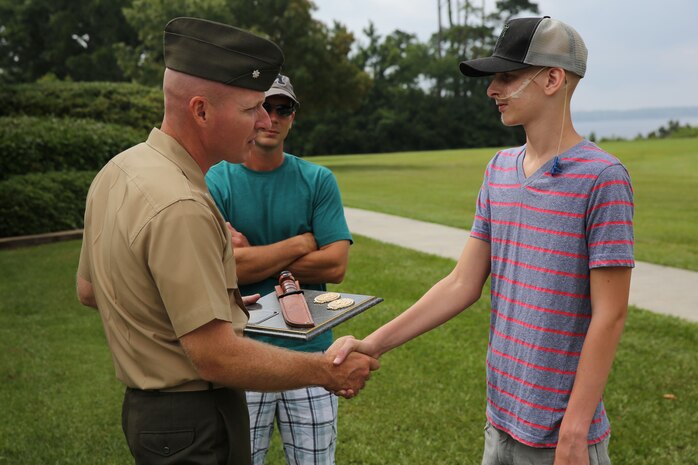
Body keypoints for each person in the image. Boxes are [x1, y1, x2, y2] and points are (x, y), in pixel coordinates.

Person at [75, 17, 378, 465]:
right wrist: (325, 371)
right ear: (201, 110)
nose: (262, 122)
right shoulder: (182, 203)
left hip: (151, 416)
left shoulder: (119, 170)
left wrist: (198, 305)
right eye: (250, 108)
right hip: (196, 418)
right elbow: (216, 357)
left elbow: (89, 289)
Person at [333, 16, 634, 465]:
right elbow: (461, 284)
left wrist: (573, 432)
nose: (493, 90)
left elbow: (609, 315)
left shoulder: (603, 178)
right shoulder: (498, 170)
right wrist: (371, 344)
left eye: (507, 77)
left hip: (560, 438)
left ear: (553, 79)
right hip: (501, 421)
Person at [205, 74, 352, 465]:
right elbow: (220, 269)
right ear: (247, 113)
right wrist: (302, 243)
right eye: (261, 107)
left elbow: (336, 264)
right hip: (243, 352)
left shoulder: (318, 180)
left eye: (282, 108)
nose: (271, 118)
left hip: (311, 352)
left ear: (292, 117)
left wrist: (253, 255)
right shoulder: (217, 179)